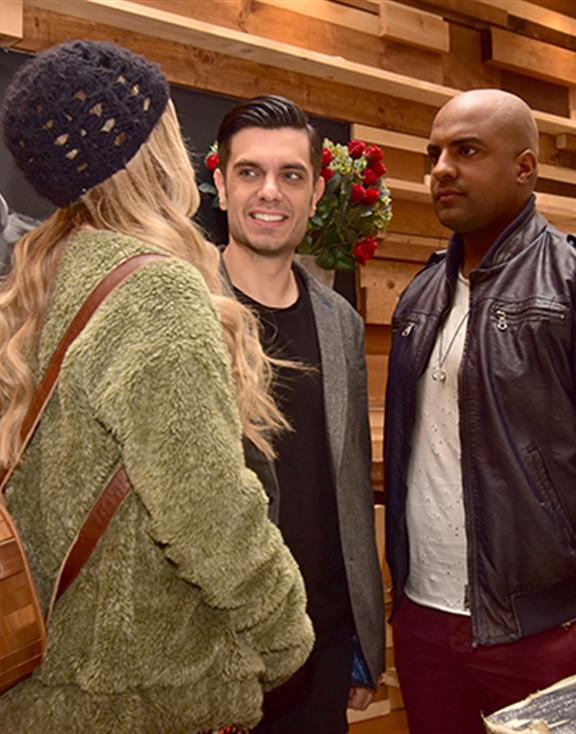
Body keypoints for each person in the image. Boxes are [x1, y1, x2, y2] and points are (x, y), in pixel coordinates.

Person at [0, 41, 313, 734]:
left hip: (41, 690)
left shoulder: (44, 275)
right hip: (138, 698)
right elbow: (206, 510)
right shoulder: (156, 290)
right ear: (146, 149)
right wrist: (286, 634)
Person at [383, 89, 576, 731]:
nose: (442, 169)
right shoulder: (420, 295)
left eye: (467, 151)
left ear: (525, 167)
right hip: (424, 619)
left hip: (549, 627)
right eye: (434, 154)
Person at [211, 95, 386, 733]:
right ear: (221, 187)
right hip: (216, 650)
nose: (270, 192)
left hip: (321, 643)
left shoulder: (341, 322)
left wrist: (364, 637)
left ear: (315, 194)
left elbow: (350, 487)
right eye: (249, 172)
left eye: (290, 175)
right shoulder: (182, 309)